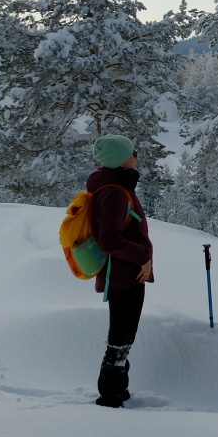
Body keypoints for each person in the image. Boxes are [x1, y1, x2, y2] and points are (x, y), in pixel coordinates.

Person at [86, 134, 155, 408]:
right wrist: (143, 256)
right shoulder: (114, 192)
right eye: (132, 152)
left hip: (125, 273)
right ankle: (110, 396)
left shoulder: (114, 185)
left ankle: (117, 391)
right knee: (121, 338)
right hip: (125, 276)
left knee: (123, 336)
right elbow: (109, 239)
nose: (136, 155)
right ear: (119, 160)